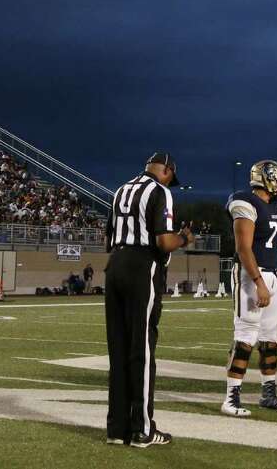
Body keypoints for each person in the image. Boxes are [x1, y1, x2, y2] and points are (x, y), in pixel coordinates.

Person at [103, 152, 192, 448]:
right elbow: (164, 242)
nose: (171, 182)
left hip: (115, 264)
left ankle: (117, 428)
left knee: (118, 349)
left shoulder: (120, 190)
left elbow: (109, 237)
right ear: (166, 170)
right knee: (141, 349)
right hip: (142, 267)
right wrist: (184, 238)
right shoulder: (159, 192)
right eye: (171, 176)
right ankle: (142, 429)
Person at [220, 159, 277, 417]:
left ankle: (269, 394)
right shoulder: (245, 203)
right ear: (267, 178)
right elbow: (243, 248)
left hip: (274, 275)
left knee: (271, 339)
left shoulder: (276, 207)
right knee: (246, 337)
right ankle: (231, 398)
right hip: (252, 276)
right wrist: (259, 283)